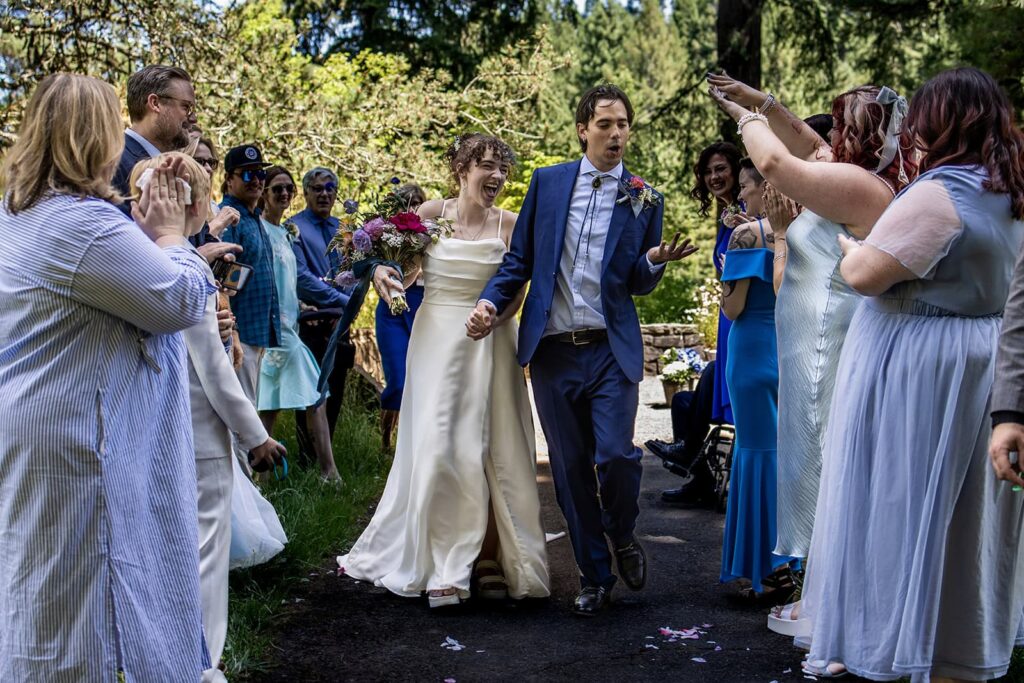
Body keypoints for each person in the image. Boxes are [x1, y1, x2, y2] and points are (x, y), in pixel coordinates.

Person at [797, 66, 1024, 681]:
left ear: (943, 122)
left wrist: (851, 253)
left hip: (921, 367)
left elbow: (868, 276)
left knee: (899, 502)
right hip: (983, 359)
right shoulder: (1008, 191)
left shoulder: (938, 192)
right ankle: (961, 638)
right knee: (962, 515)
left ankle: (899, 641)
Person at [0, 73, 209, 679]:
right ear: (97, 139)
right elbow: (177, 302)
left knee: (37, 591)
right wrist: (174, 237)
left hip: (34, 420)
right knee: (79, 596)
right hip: (76, 438)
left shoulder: (18, 213)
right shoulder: (85, 226)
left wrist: (147, 239)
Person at [468, 85, 697, 616]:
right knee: (570, 471)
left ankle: (621, 534)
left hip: (610, 350)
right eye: (605, 124)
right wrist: (488, 303)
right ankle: (594, 575)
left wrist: (656, 258)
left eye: (623, 125)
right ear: (583, 129)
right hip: (552, 351)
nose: (616, 133)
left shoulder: (645, 196)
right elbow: (519, 260)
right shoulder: (548, 185)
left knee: (616, 456)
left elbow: (638, 283)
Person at [708, 74, 912, 635]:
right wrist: (760, 103)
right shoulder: (848, 170)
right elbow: (804, 140)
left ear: (863, 134)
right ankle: (822, 593)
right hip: (807, 342)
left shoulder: (861, 186)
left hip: (827, 340)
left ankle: (830, 605)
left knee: (824, 469)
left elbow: (778, 165)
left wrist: (744, 121)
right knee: (809, 466)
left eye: (843, 122)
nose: (832, 132)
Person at [338, 134, 550, 607]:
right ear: (461, 168)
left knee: (493, 448)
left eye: (501, 168)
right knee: (437, 446)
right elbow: (378, 257)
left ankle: (487, 559)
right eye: (486, 166)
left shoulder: (512, 225)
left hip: (490, 340)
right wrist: (380, 274)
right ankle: (442, 561)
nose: (495, 176)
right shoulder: (429, 216)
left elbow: (518, 285)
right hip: (435, 338)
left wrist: (498, 314)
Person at [129, 152, 287, 682]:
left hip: (145, 438)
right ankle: (202, 665)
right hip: (197, 437)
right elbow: (213, 370)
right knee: (203, 559)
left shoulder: (128, 258)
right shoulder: (185, 267)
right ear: (196, 204)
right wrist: (256, 437)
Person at [717, 160, 796, 599]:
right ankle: (792, 558)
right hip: (789, 347)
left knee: (756, 455)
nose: (740, 196)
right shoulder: (804, 226)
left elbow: (733, 309)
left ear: (766, 187)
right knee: (785, 454)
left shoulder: (746, 235)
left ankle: (771, 568)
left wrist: (726, 273)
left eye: (745, 187)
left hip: (750, 351)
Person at [257, 166, 340, 481]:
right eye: (276, 188)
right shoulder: (260, 229)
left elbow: (287, 279)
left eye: (287, 189)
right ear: (264, 192)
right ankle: (328, 472)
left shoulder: (286, 233)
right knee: (312, 395)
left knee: (271, 403)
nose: (283, 194)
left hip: (289, 324)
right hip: (271, 329)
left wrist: (300, 301)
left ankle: (261, 480)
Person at [290, 167, 355, 451]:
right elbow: (301, 277)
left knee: (336, 384)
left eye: (330, 188)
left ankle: (327, 452)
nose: (324, 194)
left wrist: (348, 305)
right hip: (311, 321)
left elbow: (355, 272)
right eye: (317, 188)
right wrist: (341, 302)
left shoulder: (345, 229)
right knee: (310, 387)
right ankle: (306, 455)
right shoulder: (293, 228)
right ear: (305, 192)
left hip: (340, 323)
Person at [220, 144, 281, 409]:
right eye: (247, 174)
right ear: (229, 179)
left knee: (250, 408)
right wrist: (233, 333)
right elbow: (223, 282)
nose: (256, 180)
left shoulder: (254, 217)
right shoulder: (230, 218)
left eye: (260, 173)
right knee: (241, 413)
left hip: (256, 333)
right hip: (239, 332)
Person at [376, 182, 427, 450]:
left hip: (423, 308)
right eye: (406, 201)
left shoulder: (432, 234)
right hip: (392, 311)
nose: (412, 206)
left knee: (420, 381)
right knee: (397, 381)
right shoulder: (383, 235)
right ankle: (385, 440)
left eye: (417, 200)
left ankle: (412, 446)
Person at [113, 64, 196, 197]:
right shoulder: (115, 162)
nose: (193, 119)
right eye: (186, 107)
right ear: (155, 103)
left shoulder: (170, 166)